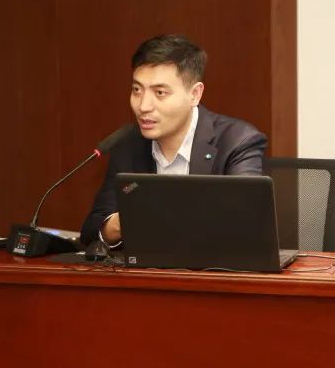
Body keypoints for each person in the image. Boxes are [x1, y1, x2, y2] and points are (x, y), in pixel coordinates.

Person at [80, 34, 268, 246]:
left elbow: (246, 225)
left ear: (195, 94)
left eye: (160, 93)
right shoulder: (128, 144)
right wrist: (117, 225)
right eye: (136, 90)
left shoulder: (237, 141)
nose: (143, 106)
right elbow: (92, 231)